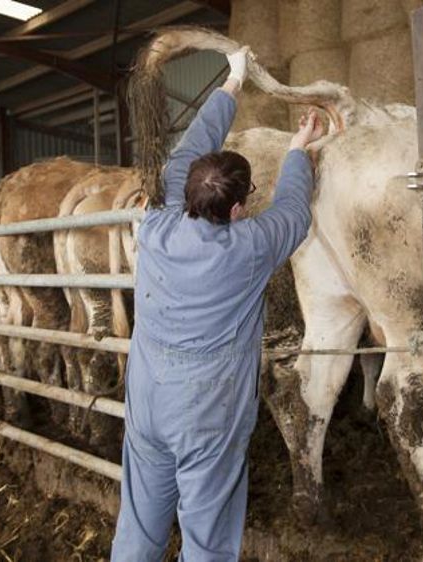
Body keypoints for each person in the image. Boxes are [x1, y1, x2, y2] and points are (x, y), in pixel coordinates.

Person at [110, 47, 326, 561]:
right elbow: (295, 212)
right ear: (237, 207)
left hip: (147, 397)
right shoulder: (246, 250)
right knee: (207, 531)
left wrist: (231, 82)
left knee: (140, 520)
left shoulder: (158, 222)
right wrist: (299, 150)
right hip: (206, 407)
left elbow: (191, 148)